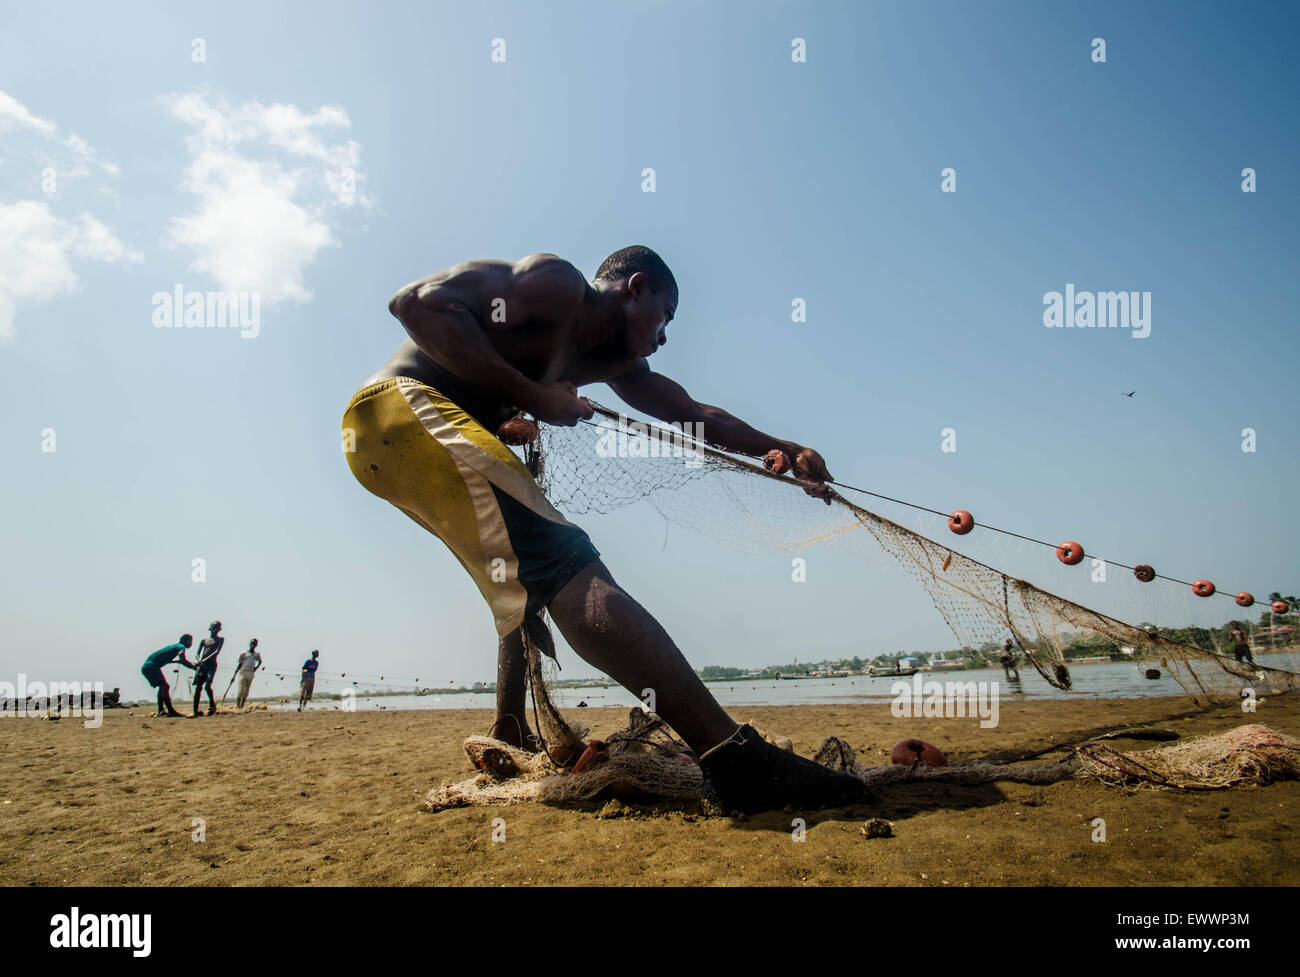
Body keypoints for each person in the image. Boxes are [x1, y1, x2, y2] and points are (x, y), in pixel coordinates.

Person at [341, 247, 869, 814]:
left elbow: (694, 414)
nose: (664, 338)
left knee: (529, 578)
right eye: (666, 317)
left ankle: (512, 728)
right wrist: (533, 392)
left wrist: (785, 450)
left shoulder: (616, 366)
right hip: (397, 411)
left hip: (395, 446)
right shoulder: (557, 285)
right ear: (636, 288)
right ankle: (733, 759)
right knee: (566, 561)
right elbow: (416, 303)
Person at [141, 635, 196, 718]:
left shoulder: (174, 646)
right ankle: (170, 710)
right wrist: (194, 667)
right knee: (165, 686)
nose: (191, 644)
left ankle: (161, 710)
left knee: (163, 686)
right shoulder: (181, 647)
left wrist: (183, 662)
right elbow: (183, 659)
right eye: (190, 641)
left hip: (147, 667)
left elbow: (175, 661)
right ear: (185, 641)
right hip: (151, 667)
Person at [192, 620, 224, 717]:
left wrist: (204, 660)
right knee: (198, 688)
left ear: (219, 629)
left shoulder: (220, 640)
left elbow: (216, 652)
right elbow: (197, 653)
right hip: (202, 666)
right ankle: (195, 710)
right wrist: (199, 660)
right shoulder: (204, 640)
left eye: (217, 627)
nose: (215, 629)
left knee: (207, 686)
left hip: (211, 665)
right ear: (210, 628)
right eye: (214, 627)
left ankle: (212, 705)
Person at [234, 638, 262, 708]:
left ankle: (242, 706)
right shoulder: (244, 653)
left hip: (250, 673)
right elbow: (240, 664)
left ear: (256, 645)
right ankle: (238, 706)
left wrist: (256, 667)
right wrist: (234, 674)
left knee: (246, 690)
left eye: (254, 644)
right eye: (252, 643)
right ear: (249, 644)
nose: (253, 645)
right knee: (241, 688)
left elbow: (260, 661)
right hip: (243, 672)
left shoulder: (256, 654)